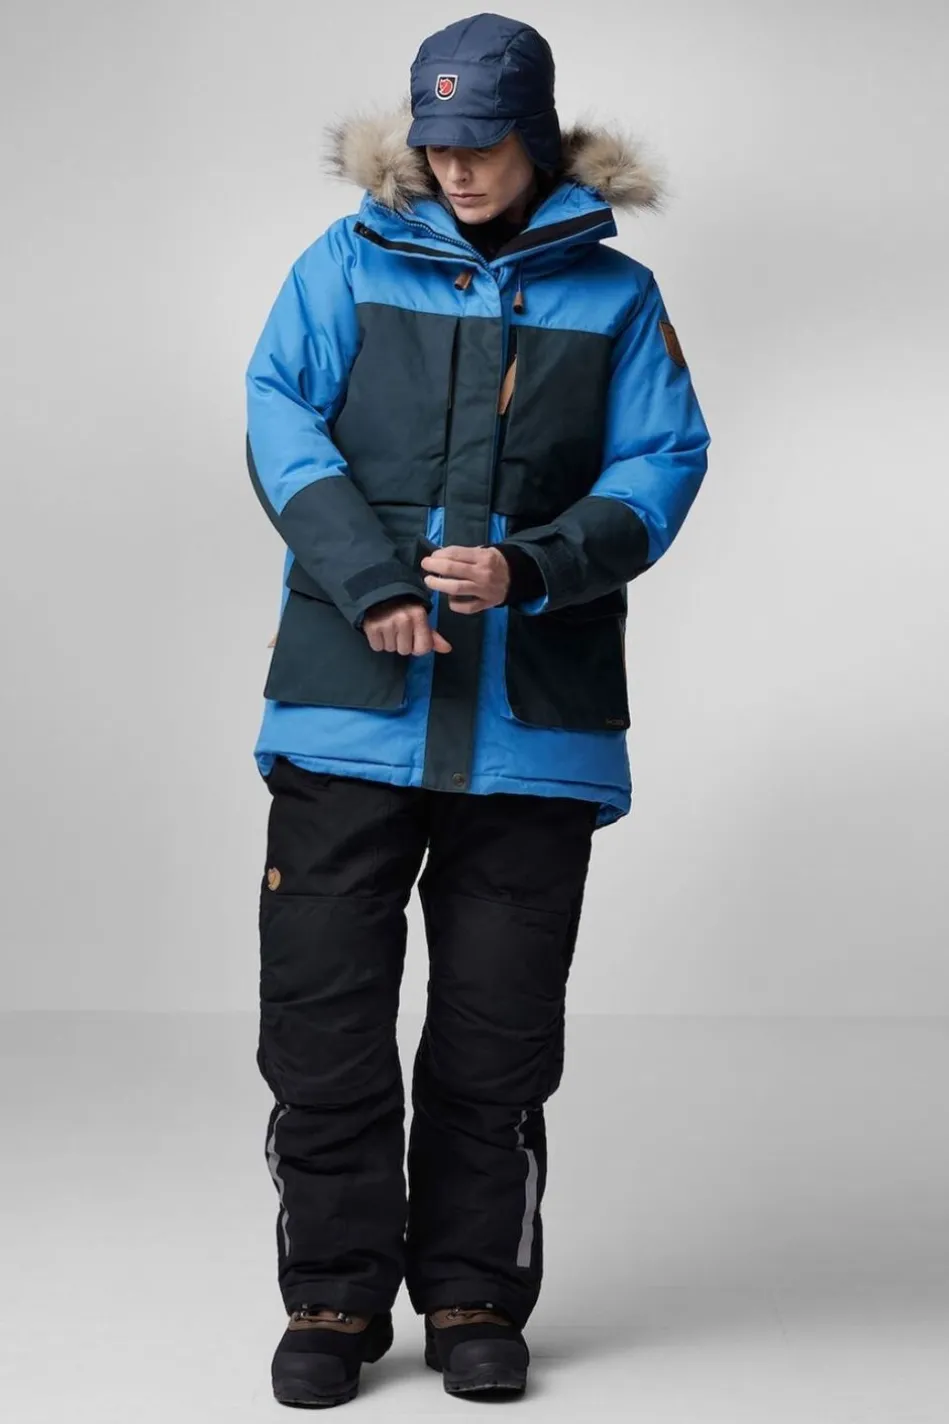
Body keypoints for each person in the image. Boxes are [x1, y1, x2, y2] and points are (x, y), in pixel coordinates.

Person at [244, 11, 710, 1408]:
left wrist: (534, 568)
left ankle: (471, 1295)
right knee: (323, 1025)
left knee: (495, 1040)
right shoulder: (343, 264)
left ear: (539, 137)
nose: (456, 169)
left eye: (485, 144)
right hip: (351, 710)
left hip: (533, 727)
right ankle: (332, 1299)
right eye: (439, 142)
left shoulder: (615, 297)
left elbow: (664, 462)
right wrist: (368, 576)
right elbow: (277, 415)